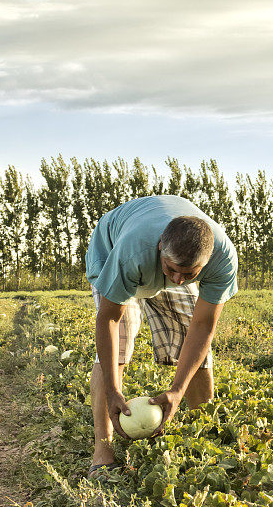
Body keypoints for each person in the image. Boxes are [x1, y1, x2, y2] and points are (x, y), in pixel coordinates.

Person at [85, 195, 238, 475]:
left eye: (189, 274)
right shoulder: (132, 252)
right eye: (172, 271)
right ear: (160, 250)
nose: (178, 280)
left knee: (194, 343)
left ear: (205, 264)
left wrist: (177, 391)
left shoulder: (223, 259)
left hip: (165, 256)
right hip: (115, 249)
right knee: (121, 342)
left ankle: (202, 437)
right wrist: (112, 391)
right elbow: (108, 319)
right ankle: (102, 451)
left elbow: (203, 326)